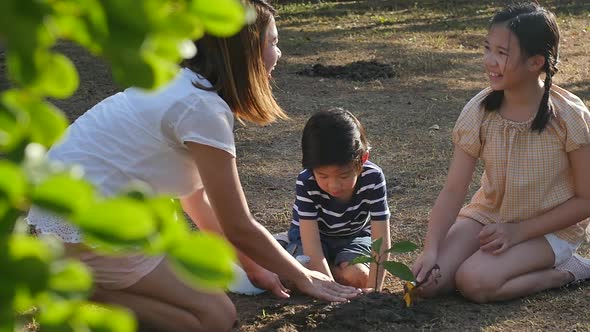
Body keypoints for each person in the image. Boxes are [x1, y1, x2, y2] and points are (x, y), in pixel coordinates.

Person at [26, 1, 361, 331]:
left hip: (59, 214)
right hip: (85, 229)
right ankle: (72, 286)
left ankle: (74, 281)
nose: (279, 54)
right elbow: (237, 224)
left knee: (207, 313)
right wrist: (303, 277)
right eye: (272, 42)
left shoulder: (183, 84)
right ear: (245, 51)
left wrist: (255, 268)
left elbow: (197, 200)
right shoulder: (202, 108)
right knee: (214, 319)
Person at [411, 2, 590, 304]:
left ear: (535, 62)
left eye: (502, 53)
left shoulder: (568, 117)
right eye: (487, 49)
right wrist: (430, 250)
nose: (489, 61)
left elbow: (587, 200)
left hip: (549, 231)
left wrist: (519, 232)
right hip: (488, 217)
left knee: (474, 282)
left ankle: (569, 270)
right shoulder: (479, 110)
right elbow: (454, 190)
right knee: (428, 282)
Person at [282, 108, 391, 291]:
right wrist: (331, 289)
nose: (333, 186)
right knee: (287, 277)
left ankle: (321, 266)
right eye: (323, 176)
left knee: (359, 278)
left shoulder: (373, 177)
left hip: (353, 237)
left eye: (343, 176)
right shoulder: (306, 180)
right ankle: (287, 246)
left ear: (363, 159)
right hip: (311, 239)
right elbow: (311, 244)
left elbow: (381, 238)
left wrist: (374, 292)